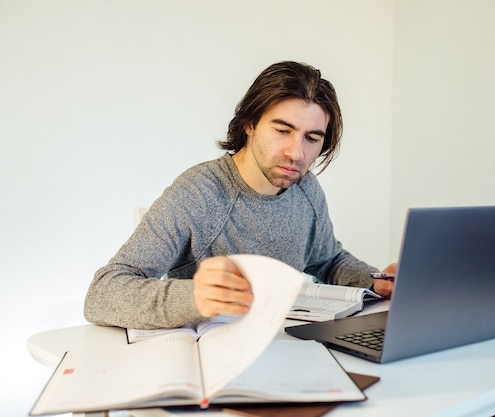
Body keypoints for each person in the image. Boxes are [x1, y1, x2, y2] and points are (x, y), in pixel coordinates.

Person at [84, 61, 396, 330]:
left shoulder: (306, 189)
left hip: (281, 344)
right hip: (213, 358)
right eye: (282, 130)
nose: (296, 153)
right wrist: (194, 297)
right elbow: (102, 295)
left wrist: (375, 280)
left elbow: (328, 260)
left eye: (312, 138)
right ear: (249, 124)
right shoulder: (198, 194)